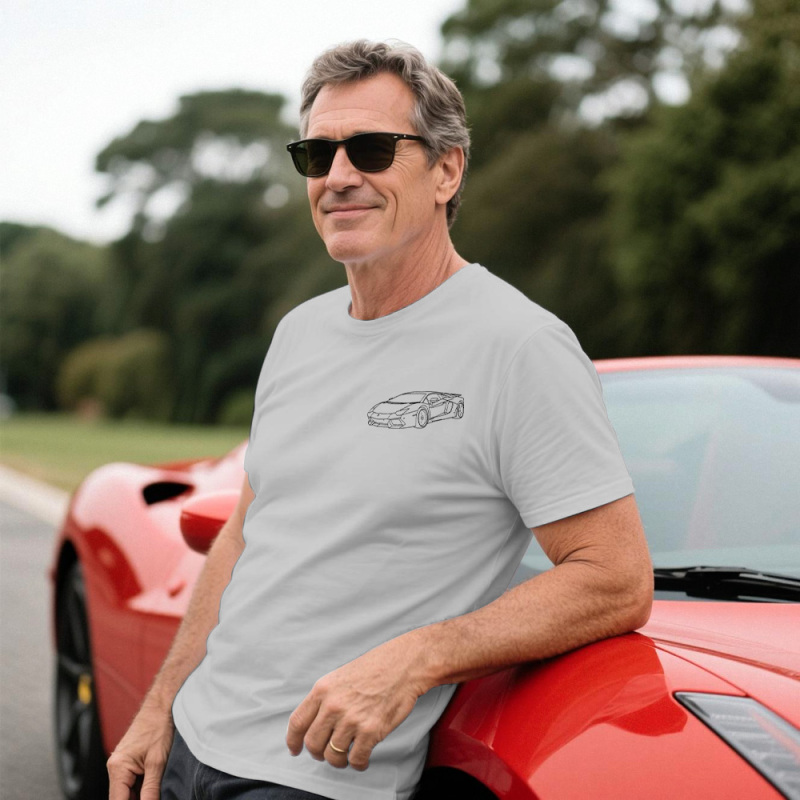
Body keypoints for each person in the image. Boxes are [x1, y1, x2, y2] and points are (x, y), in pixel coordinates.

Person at [107, 40, 652, 800]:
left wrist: (417, 657)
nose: (337, 176)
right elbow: (244, 533)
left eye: (369, 149)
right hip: (188, 750)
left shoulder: (521, 345)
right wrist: (161, 706)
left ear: (446, 170)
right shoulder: (298, 332)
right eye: (317, 154)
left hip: (317, 779)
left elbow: (615, 578)